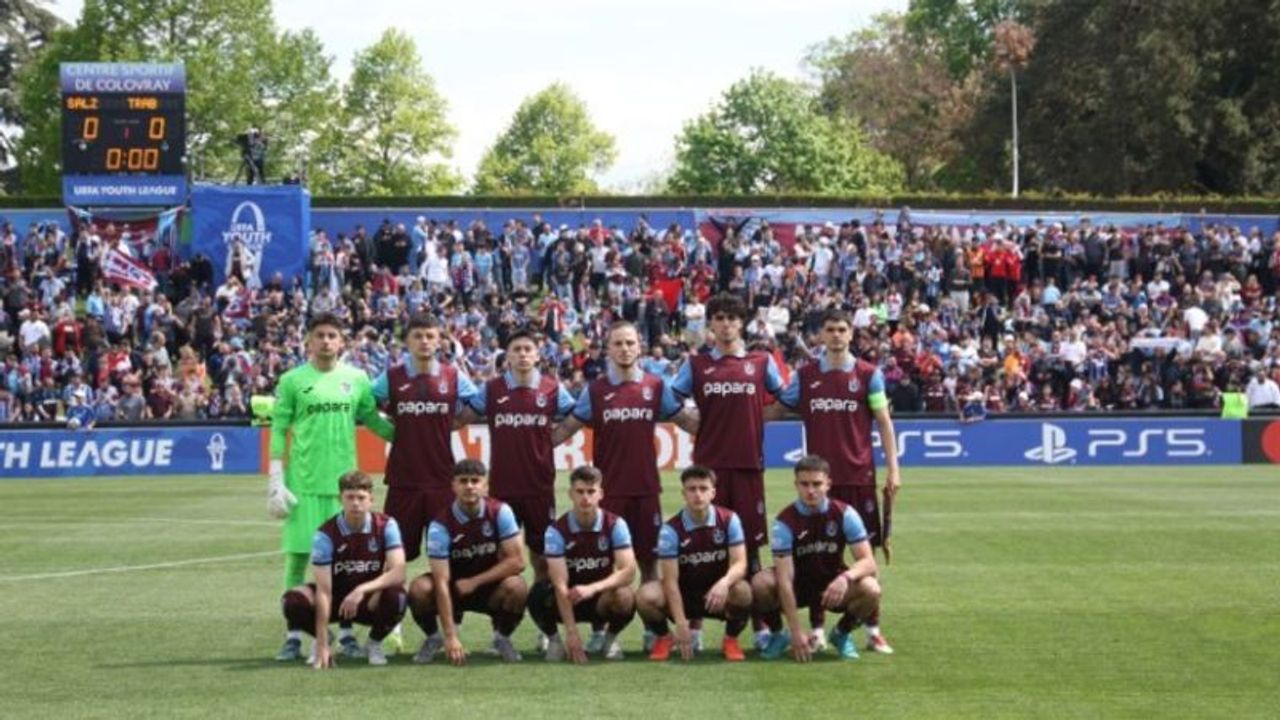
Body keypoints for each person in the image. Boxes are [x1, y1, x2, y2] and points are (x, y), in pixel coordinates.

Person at [550, 321, 694, 651]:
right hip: (607, 492)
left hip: (645, 489)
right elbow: (567, 428)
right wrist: (531, 445)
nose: (625, 349)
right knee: (603, 562)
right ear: (608, 349)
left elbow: (686, 420)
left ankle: (653, 629)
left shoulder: (656, 386)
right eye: (618, 343)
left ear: (639, 346)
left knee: (648, 562)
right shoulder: (595, 391)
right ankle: (599, 629)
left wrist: (728, 425)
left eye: (630, 342)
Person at [268, 312, 396, 661]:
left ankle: (347, 632)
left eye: (332, 335)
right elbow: (279, 428)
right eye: (320, 335)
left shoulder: (356, 378)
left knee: (347, 563)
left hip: (345, 488)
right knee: (297, 559)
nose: (326, 341)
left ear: (342, 342)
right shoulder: (292, 380)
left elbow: (373, 421)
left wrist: (411, 435)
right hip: (304, 485)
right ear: (308, 341)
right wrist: (276, 476)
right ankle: (293, 634)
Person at [777, 307, 899, 653]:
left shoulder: (868, 375)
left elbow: (884, 421)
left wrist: (894, 469)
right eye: (829, 329)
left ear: (851, 334)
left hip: (858, 477)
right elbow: (777, 407)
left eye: (842, 329)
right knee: (817, 558)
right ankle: (817, 629)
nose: (835, 335)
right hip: (818, 482)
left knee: (866, 557)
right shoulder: (805, 376)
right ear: (821, 335)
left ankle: (872, 629)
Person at [669, 293, 784, 650]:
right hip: (708, 471)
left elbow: (784, 401)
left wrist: (756, 420)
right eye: (719, 318)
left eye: (732, 318)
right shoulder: (697, 364)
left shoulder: (761, 362)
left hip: (748, 467)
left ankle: (761, 628)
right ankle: (696, 628)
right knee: (702, 548)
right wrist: (696, 425)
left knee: (750, 550)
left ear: (742, 323)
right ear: (711, 324)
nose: (726, 324)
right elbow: (668, 401)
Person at [459, 328, 574, 586]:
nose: (523, 354)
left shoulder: (552, 389)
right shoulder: (492, 389)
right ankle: (506, 611)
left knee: (542, 557)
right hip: (503, 485)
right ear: (507, 356)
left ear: (537, 355)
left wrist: (552, 440)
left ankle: (542, 610)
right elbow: (462, 418)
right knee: (502, 555)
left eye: (528, 349)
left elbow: (576, 416)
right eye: (517, 350)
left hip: (539, 486)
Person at [752, 456, 883, 662]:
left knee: (872, 588)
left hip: (831, 585)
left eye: (817, 484)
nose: (811, 490)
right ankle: (779, 635)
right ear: (796, 485)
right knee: (760, 583)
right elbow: (785, 579)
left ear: (828, 484)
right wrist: (796, 631)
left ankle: (841, 633)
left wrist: (845, 578)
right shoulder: (785, 522)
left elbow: (868, 562)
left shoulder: (845, 514)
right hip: (798, 586)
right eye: (804, 484)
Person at [372, 314, 477, 562]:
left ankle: (444, 590)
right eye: (418, 336)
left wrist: (456, 422)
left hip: (442, 478)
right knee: (395, 555)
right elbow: (366, 403)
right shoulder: (391, 377)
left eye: (430, 336)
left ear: (439, 341)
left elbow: (478, 402)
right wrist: (389, 427)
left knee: (447, 555)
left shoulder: (452, 376)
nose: (424, 341)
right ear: (407, 341)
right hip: (403, 479)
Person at [279, 471, 407, 668]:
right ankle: (324, 638)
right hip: (335, 600)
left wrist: (361, 590)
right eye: (350, 497)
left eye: (361, 498)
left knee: (398, 596)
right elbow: (324, 591)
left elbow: (399, 572)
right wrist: (322, 643)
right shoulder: (325, 535)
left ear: (371, 499)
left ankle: (374, 643)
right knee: (291, 601)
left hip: (367, 601)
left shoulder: (387, 525)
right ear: (341, 499)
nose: (355, 503)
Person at [407, 459, 527, 665]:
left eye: (475, 481)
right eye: (463, 481)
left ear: (485, 485)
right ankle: (434, 638)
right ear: (453, 486)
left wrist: (475, 581)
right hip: (453, 589)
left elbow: (517, 562)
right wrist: (451, 636)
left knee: (517, 587)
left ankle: (501, 638)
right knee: (419, 589)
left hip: (489, 588)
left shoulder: (500, 512)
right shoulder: (440, 525)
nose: (469, 486)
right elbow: (441, 581)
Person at [636, 465, 751, 662]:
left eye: (703, 488)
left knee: (743, 591)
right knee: (646, 596)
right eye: (692, 489)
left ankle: (730, 639)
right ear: (684, 493)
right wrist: (681, 623)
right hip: (684, 596)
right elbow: (670, 582)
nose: (698, 494)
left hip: (716, 596)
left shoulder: (729, 520)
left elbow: (740, 563)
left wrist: (724, 583)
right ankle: (665, 637)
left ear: (713, 492)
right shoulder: (670, 530)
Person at [529, 465, 637, 663]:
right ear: (571, 494)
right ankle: (554, 640)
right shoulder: (556, 531)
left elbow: (628, 572)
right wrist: (572, 632)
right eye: (580, 492)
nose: (585, 498)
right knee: (537, 594)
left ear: (600, 494)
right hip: (568, 598)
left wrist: (593, 588)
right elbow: (560, 583)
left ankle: (610, 639)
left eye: (591, 491)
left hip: (599, 598)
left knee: (624, 596)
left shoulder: (616, 525)